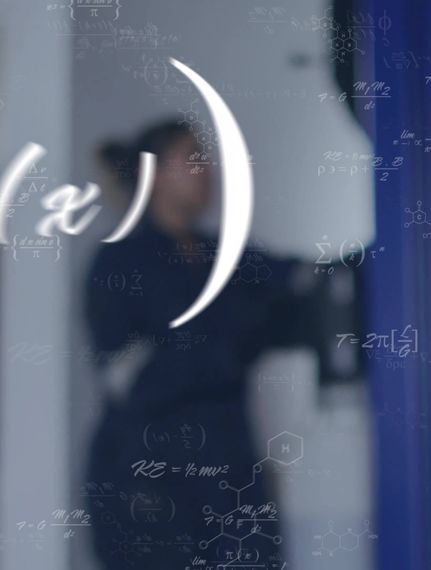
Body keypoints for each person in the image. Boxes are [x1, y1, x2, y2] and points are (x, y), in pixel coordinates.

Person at [83, 118, 309, 569]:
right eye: (192, 158)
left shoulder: (222, 255)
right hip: (151, 482)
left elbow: (301, 283)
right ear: (156, 174)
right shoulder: (121, 262)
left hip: (231, 474)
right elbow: (125, 375)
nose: (208, 170)